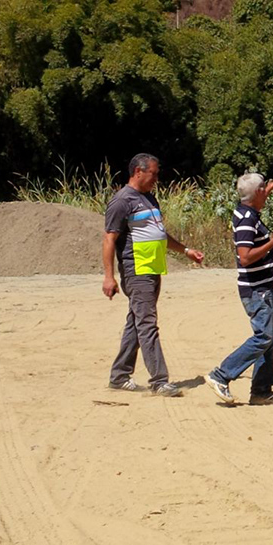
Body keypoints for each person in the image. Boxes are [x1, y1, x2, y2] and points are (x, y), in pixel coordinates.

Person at [102, 152, 203, 397]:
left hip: (153, 269)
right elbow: (109, 239)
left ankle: (119, 376)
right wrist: (109, 276)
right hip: (136, 270)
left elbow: (159, 234)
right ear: (138, 171)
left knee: (136, 323)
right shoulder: (122, 201)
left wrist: (185, 250)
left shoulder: (149, 198)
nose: (157, 178)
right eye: (153, 174)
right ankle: (159, 381)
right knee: (147, 324)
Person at [204, 173, 273, 406]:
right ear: (257, 194)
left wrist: (270, 187)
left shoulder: (246, 211)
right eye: (264, 190)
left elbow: (257, 197)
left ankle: (261, 391)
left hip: (261, 286)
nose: (266, 194)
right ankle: (221, 375)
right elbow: (245, 257)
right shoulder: (246, 220)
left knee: (269, 338)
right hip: (256, 289)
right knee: (264, 337)